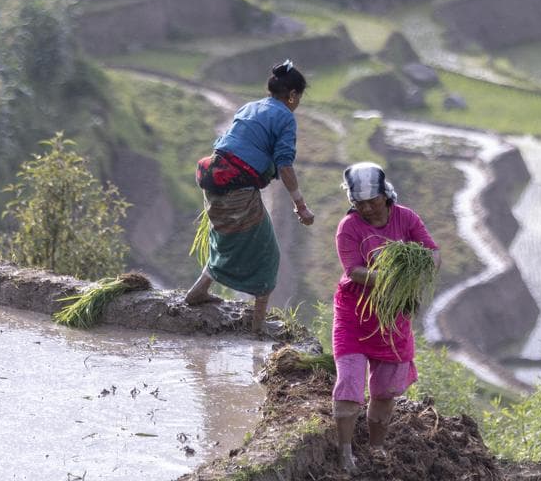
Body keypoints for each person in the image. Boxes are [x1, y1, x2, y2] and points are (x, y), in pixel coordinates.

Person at [185, 59, 316, 332]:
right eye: (298, 97)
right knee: (267, 253)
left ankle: (198, 291)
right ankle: (258, 325)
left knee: (223, 238)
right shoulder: (285, 118)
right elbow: (284, 164)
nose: (298, 103)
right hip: (235, 187)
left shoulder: (249, 107)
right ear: (292, 95)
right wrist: (301, 205)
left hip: (213, 178)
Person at [331, 162, 440, 473]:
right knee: (350, 384)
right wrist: (393, 276)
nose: (367, 208)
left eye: (373, 201)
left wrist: (420, 269)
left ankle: (376, 448)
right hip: (355, 316)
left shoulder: (405, 217)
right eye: (359, 203)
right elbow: (353, 270)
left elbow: (432, 252)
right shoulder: (349, 227)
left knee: (384, 392)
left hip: (392, 318)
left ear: (385, 195)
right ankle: (345, 452)